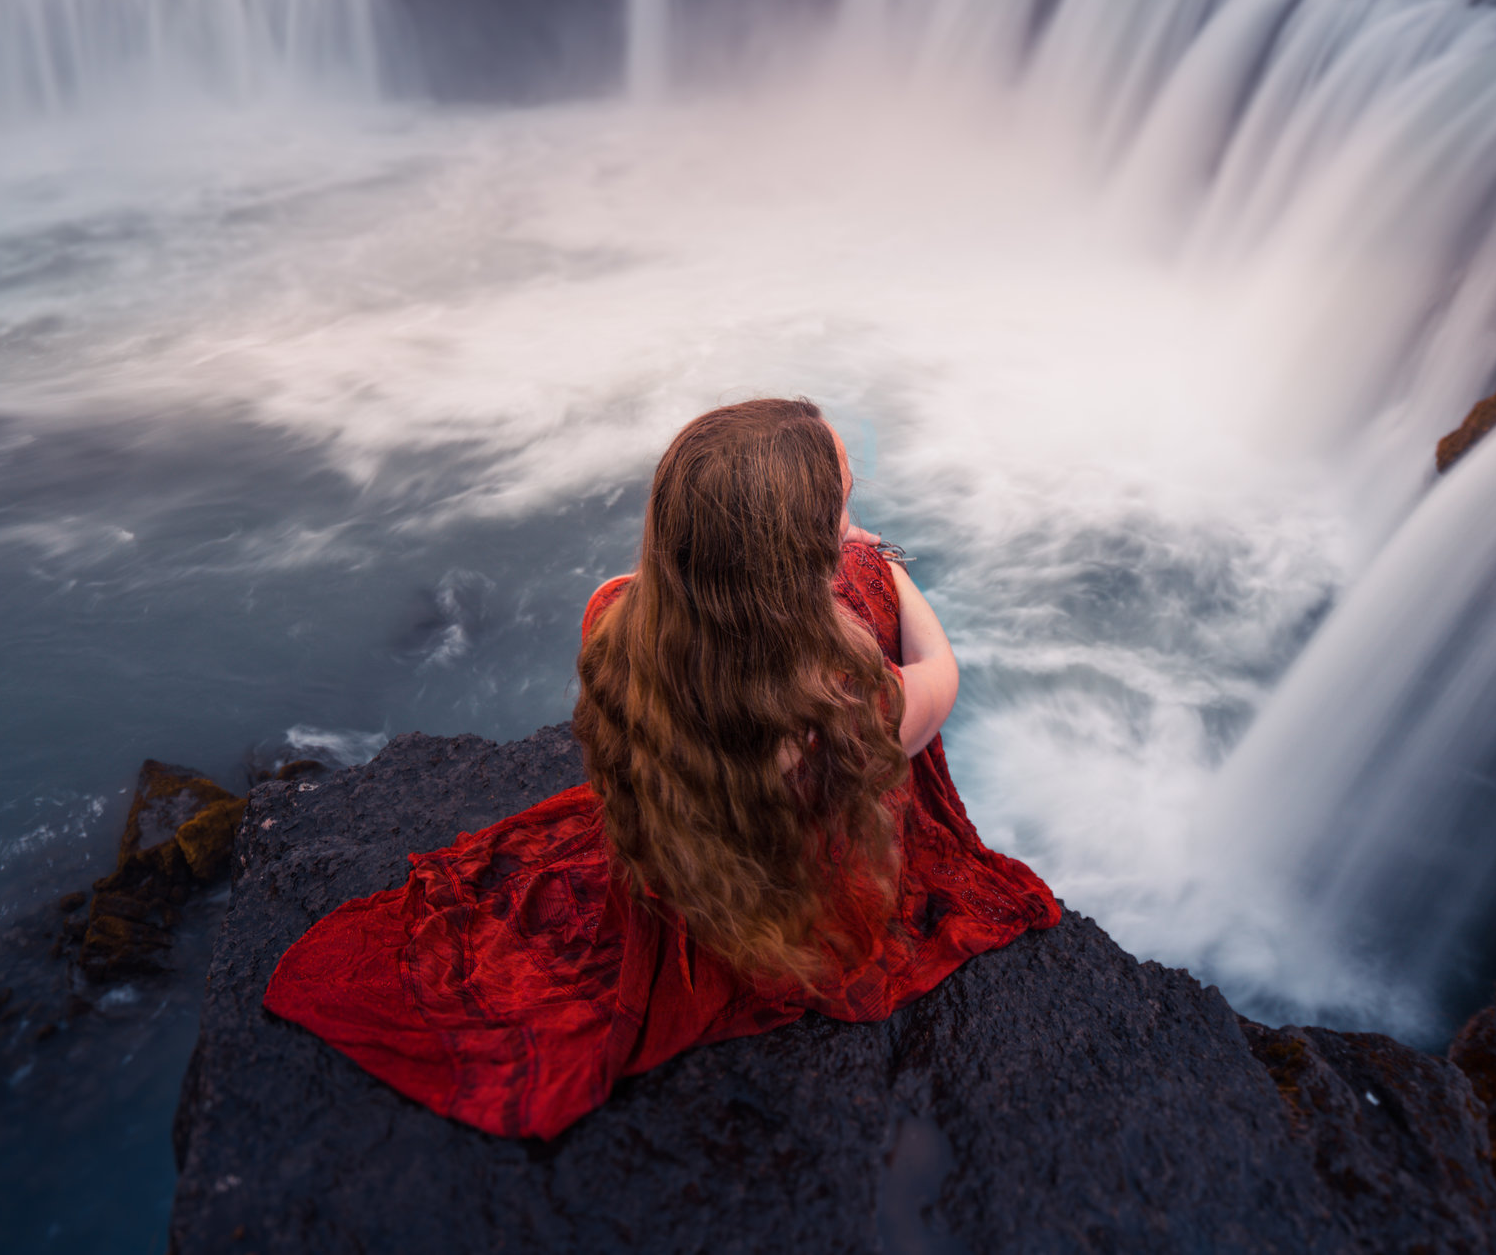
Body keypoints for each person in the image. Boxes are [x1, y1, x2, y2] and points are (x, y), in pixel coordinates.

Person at [263, 398, 1059, 1139]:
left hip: (689, 858)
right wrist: (885, 570)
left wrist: (841, 548)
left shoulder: (613, 614)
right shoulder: (845, 713)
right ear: (804, 557)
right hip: (794, 907)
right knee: (873, 637)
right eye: (844, 508)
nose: (855, 524)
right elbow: (939, 672)